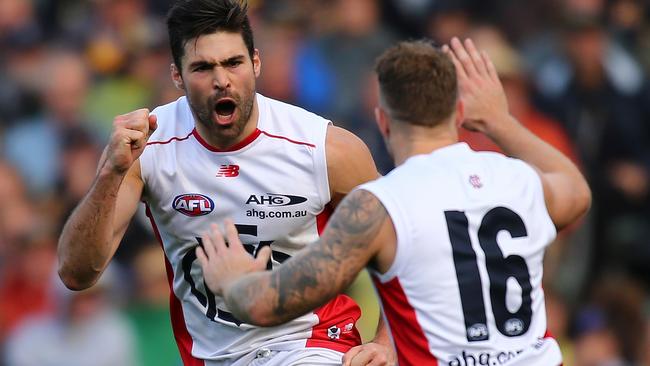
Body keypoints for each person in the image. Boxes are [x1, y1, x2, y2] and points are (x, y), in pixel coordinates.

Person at [196, 38, 592, 366]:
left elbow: (268, 305)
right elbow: (577, 191)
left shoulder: (378, 207)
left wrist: (233, 281)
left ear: (383, 120)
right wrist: (499, 120)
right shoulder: (517, 178)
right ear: (459, 113)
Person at [56, 0, 394, 365]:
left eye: (233, 63)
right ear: (177, 76)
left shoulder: (323, 148)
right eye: (202, 67)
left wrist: (387, 342)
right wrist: (110, 173)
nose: (221, 80)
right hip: (215, 357)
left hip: (312, 346)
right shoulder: (148, 147)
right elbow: (76, 273)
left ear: (256, 63)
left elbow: (404, 243)